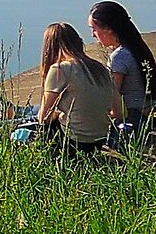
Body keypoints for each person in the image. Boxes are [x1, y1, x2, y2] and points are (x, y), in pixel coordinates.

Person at [35, 21, 121, 153]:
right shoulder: (101, 69)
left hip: (72, 141)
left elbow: (43, 118)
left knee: (32, 123)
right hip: (98, 141)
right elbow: (117, 113)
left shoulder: (60, 69)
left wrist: (58, 116)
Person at [88, 0, 156, 137]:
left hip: (131, 116)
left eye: (94, 29)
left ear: (108, 29)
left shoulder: (119, 56)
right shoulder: (135, 47)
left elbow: (111, 96)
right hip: (144, 110)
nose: (93, 35)